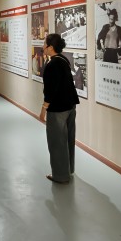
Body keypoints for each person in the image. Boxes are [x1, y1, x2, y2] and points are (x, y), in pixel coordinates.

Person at [39, 34, 79, 184]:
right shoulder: (64, 60)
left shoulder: (52, 65)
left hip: (58, 109)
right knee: (68, 139)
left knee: (57, 142)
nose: (43, 46)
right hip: (70, 106)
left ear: (50, 47)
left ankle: (60, 176)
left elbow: (50, 90)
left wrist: (43, 109)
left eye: (44, 43)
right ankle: (69, 169)